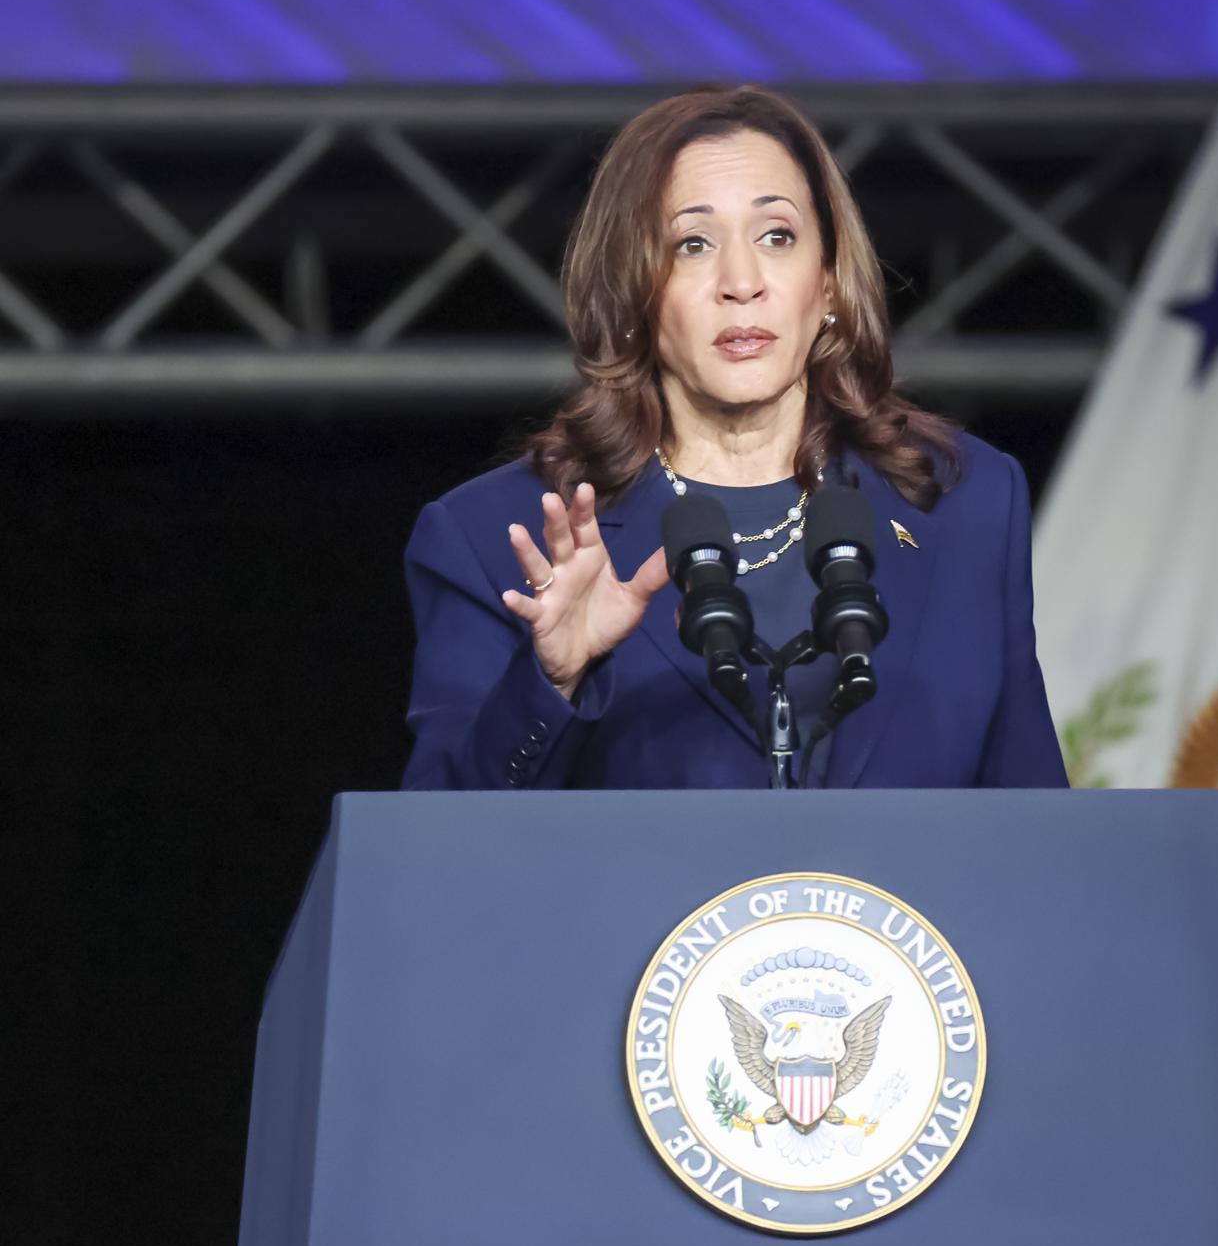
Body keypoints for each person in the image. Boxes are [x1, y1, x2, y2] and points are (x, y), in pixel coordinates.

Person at [401, 86, 1067, 792]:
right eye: (692, 244)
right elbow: (437, 858)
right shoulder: (498, 537)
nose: (741, 282)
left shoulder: (966, 503)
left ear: (831, 283)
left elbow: (1032, 829)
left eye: (776, 236)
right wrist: (551, 679)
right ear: (632, 293)